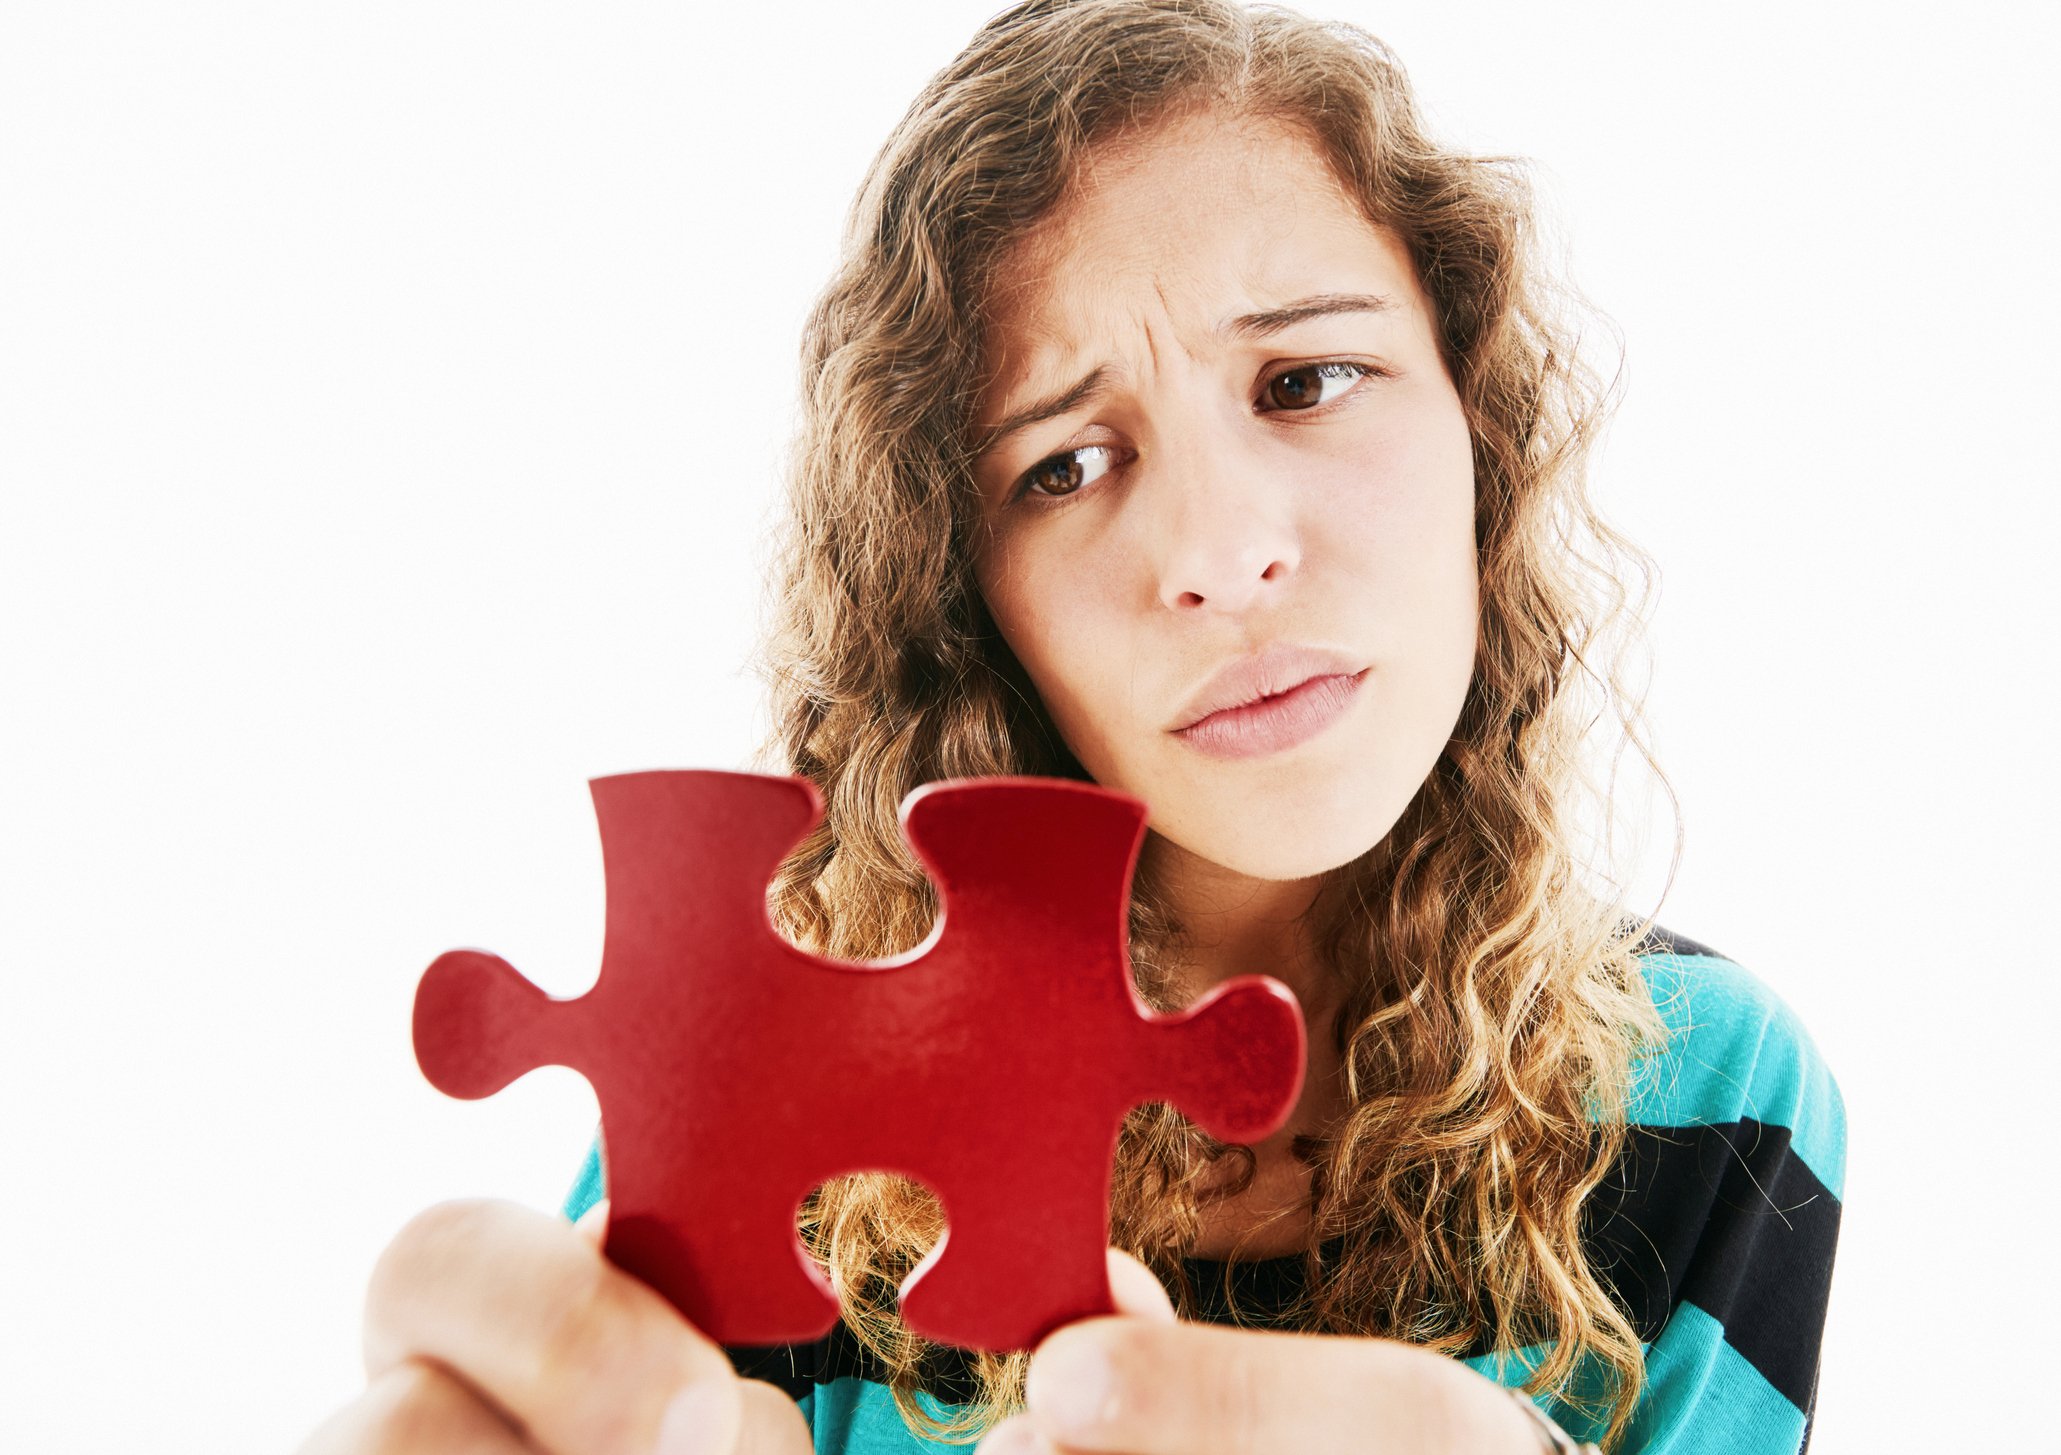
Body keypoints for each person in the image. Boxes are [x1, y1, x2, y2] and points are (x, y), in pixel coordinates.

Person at [296, 2, 1845, 1452]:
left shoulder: (1711, 1092)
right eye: (1061, 467)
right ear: (965, 604)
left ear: (1480, 436)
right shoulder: (773, 1083)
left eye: (1305, 379)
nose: (1220, 555)